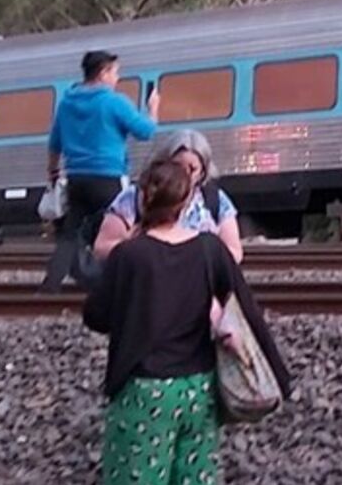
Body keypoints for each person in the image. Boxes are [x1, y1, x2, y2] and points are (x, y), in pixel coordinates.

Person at [84, 159, 290, 485]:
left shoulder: (129, 255)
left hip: (143, 388)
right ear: (186, 201)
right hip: (199, 388)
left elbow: (95, 316)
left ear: (142, 199)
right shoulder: (210, 249)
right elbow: (247, 309)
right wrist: (279, 376)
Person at [40, 50, 159, 293]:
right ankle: (121, 283)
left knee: (70, 233)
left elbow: (54, 144)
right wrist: (153, 109)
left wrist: (53, 173)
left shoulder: (66, 103)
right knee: (119, 228)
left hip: (76, 178)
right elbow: (145, 131)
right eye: (115, 72)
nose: (117, 78)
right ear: (103, 72)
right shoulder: (114, 102)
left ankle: (50, 286)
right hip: (108, 177)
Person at [93, 130, 243, 263]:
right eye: (177, 166)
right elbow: (102, 248)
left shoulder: (215, 200)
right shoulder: (134, 197)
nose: (184, 174)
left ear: (203, 173)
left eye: (192, 169)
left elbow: (234, 253)